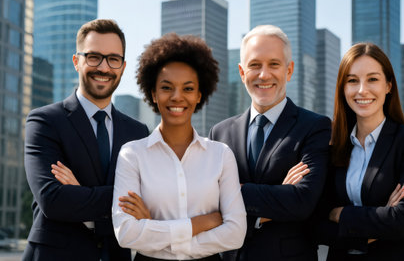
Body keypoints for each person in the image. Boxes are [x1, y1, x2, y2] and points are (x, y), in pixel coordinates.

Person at [112, 33, 247, 261]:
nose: (177, 97)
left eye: (187, 89)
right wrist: (201, 223)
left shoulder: (221, 155)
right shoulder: (132, 154)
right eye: (166, 88)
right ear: (153, 94)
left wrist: (154, 229)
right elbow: (126, 233)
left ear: (198, 96)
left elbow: (235, 234)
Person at [23, 19, 149, 261]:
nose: (103, 67)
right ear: (76, 61)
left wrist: (81, 193)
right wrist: (121, 201)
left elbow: (148, 199)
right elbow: (53, 200)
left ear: (122, 67)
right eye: (93, 57)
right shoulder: (44, 121)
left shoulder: (138, 132)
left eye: (113, 59)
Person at [209, 25, 331, 260]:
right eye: (255, 65)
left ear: (289, 70)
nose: (264, 74)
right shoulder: (219, 132)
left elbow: (302, 202)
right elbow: (207, 202)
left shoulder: (315, 127)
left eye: (274, 64)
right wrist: (279, 194)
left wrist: (233, 192)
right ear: (242, 72)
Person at [316, 43, 404, 260]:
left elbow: (400, 222)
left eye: (372, 79)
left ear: (388, 86)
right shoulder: (332, 145)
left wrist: (339, 213)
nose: (362, 90)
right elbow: (317, 226)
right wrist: (381, 219)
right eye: (352, 81)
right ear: (342, 88)